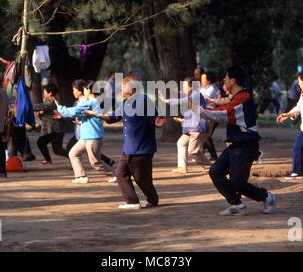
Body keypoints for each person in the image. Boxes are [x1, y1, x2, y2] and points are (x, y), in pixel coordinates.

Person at [201, 66, 276, 216]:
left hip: (246, 145)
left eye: (226, 78)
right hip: (236, 145)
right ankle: (237, 204)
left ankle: (266, 197)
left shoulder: (243, 97)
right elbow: (224, 108)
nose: (224, 80)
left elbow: (223, 113)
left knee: (238, 183)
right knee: (215, 172)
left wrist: (199, 110)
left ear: (233, 81)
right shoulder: (236, 97)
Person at [84, 75, 166, 209]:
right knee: (120, 173)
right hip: (128, 148)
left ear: (131, 88)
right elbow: (112, 117)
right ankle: (132, 201)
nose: (120, 89)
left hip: (142, 148)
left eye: (122, 86)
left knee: (141, 179)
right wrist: (95, 114)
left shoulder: (144, 101)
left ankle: (152, 199)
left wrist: (159, 122)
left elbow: (155, 119)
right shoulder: (126, 102)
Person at [55, 80, 116, 184]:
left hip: (93, 137)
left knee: (95, 162)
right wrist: (81, 121)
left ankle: (115, 175)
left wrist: (60, 107)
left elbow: (74, 111)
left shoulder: (91, 102)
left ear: (89, 90)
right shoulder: (95, 102)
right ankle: (81, 176)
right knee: (73, 153)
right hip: (86, 137)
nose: (84, 91)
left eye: (85, 89)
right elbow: (86, 116)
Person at [165, 77, 211, 174]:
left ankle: (210, 167)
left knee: (193, 151)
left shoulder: (196, 95)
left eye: (185, 86)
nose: (183, 88)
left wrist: (167, 100)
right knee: (181, 143)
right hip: (192, 127)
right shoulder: (193, 96)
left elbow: (181, 101)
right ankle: (182, 167)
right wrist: (182, 120)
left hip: (198, 127)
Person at [33, 83, 68, 165]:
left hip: (56, 130)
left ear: (50, 93)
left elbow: (38, 107)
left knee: (58, 150)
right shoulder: (49, 101)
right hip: (50, 130)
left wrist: (25, 105)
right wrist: (40, 115)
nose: (43, 93)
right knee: (41, 142)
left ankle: (74, 157)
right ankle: (48, 159)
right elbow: (48, 117)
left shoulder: (52, 102)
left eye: (44, 92)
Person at [200, 72, 219, 161]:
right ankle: (211, 155)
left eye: (203, 79)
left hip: (211, 116)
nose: (201, 80)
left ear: (208, 80)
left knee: (206, 135)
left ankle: (201, 152)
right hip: (205, 115)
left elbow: (201, 100)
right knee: (206, 135)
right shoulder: (203, 88)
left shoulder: (212, 89)